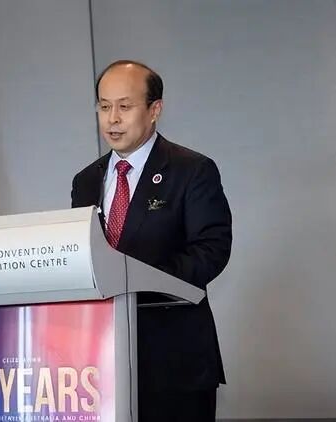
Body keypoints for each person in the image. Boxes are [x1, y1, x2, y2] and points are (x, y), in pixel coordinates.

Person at [71, 60, 232, 421]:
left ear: (154, 109)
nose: (112, 119)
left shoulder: (192, 170)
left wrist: (138, 281)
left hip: (174, 360)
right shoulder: (85, 181)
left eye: (125, 106)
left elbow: (212, 249)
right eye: (104, 106)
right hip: (101, 365)